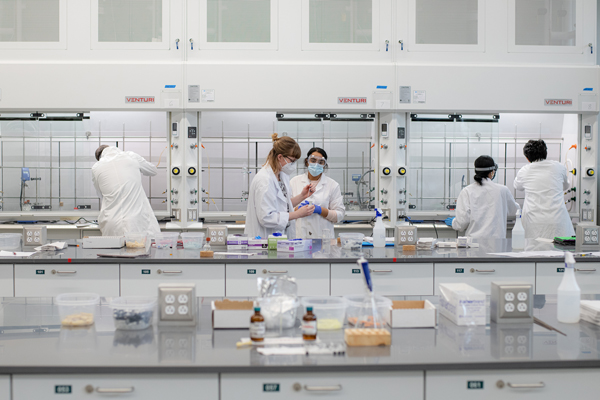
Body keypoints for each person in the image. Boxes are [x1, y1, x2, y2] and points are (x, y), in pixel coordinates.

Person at [244, 134, 315, 239]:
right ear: (280, 157)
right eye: (292, 160)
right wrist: (297, 214)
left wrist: (302, 196)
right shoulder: (265, 180)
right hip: (264, 240)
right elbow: (266, 218)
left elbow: (282, 205)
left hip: (279, 238)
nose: (293, 165)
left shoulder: (282, 176)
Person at [91, 145, 160, 237]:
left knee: (112, 250)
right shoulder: (131, 156)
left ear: (100, 157)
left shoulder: (96, 167)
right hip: (135, 221)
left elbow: (101, 195)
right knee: (138, 249)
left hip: (111, 222)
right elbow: (153, 171)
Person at [445, 155, 520, 239]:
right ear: (492, 172)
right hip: (497, 242)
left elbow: (462, 223)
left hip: (474, 242)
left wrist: (454, 222)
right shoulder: (503, 190)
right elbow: (515, 211)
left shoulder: (467, 191)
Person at [514, 139, 575, 239]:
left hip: (533, 221)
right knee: (559, 251)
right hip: (557, 220)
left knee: (533, 251)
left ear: (527, 158)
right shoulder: (559, 167)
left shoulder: (524, 170)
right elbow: (565, 186)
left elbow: (517, 186)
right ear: (545, 153)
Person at [290, 148, 345, 239]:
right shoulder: (294, 182)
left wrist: (320, 210)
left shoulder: (332, 185)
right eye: (313, 160)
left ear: (324, 165)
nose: (316, 164)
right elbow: (284, 210)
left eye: (321, 162)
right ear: (307, 161)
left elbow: (339, 215)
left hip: (323, 240)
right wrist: (297, 210)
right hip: (299, 237)